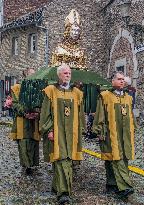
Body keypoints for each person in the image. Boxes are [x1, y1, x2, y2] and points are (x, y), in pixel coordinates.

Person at [39, 64, 85, 204]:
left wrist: (81, 130)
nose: (67, 75)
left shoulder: (77, 93)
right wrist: (49, 130)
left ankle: (56, 186)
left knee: (67, 160)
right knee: (62, 159)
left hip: (72, 134)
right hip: (57, 132)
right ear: (58, 75)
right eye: (65, 73)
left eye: (69, 73)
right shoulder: (50, 91)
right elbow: (45, 113)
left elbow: (80, 114)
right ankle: (64, 193)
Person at [93, 71, 135, 199]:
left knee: (121, 158)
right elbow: (100, 114)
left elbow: (131, 116)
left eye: (123, 79)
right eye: (119, 79)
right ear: (112, 81)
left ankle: (112, 184)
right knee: (115, 158)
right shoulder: (105, 96)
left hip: (125, 135)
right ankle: (125, 187)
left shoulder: (128, 97)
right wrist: (99, 130)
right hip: (110, 133)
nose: (122, 81)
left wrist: (133, 128)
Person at [7, 68, 40, 175]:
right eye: (31, 74)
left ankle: (32, 163)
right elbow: (15, 104)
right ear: (25, 75)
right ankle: (26, 165)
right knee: (23, 142)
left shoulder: (37, 89)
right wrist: (25, 112)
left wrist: (37, 112)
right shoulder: (16, 88)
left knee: (33, 142)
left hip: (34, 120)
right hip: (22, 120)